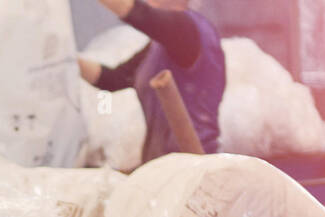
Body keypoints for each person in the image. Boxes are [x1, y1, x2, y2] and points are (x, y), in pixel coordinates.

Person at [78, 0, 225, 163]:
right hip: (165, 165)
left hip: (193, 166)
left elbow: (139, 14)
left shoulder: (187, 30)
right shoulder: (159, 47)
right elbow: (113, 79)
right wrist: (69, 60)